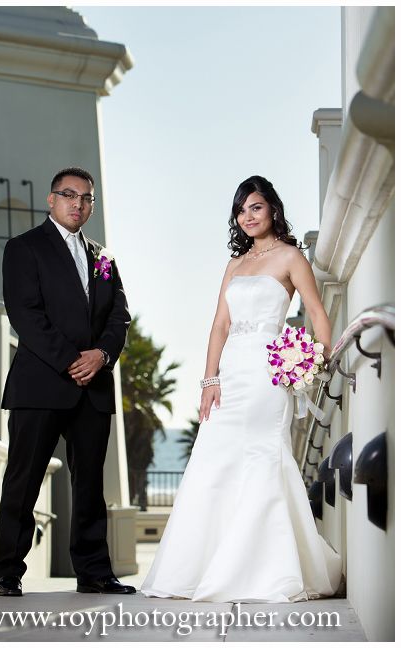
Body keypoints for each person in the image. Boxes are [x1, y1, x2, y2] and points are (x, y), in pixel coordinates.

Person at [141, 176, 342, 602]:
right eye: (241, 210)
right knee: (215, 459)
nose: (248, 216)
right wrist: (209, 379)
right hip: (231, 373)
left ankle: (268, 570)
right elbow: (220, 325)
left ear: (272, 209)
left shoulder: (291, 257)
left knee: (264, 455)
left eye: (256, 207)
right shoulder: (234, 265)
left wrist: (317, 362)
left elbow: (317, 314)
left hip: (271, 374)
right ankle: (205, 566)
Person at [0, 167, 135, 596]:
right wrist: (72, 360)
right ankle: (8, 572)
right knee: (23, 481)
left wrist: (102, 356)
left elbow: (119, 316)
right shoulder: (23, 248)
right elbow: (26, 315)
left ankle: (94, 572)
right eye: (69, 195)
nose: (78, 203)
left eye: (87, 198)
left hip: (93, 389)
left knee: (90, 486)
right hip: (40, 385)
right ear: (51, 200)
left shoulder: (104, 257)